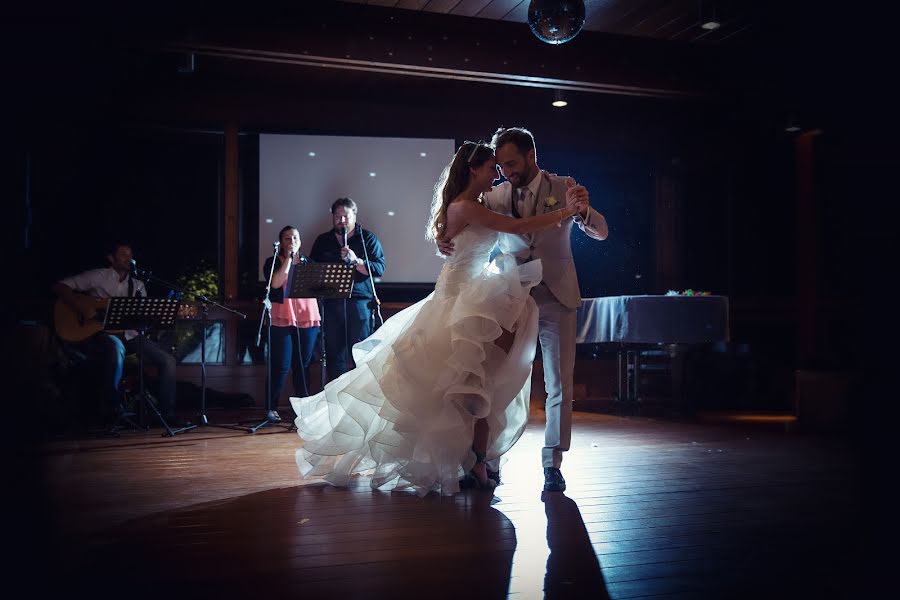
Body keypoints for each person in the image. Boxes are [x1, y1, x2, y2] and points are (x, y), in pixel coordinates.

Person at [290, 142, 589, 496]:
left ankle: (473, 462)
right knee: (461, 384)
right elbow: (518, 225)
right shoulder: (466, 207)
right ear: (474, 170)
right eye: (491, 167)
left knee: (473, 383)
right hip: (462, 299)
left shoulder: (471, 204)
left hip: (473, 294)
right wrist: (564, 212)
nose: (497, 174)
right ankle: (471, 462)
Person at [439, 127, 608, 493]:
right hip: (511, 297)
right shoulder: (495, 194)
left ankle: (552, 463)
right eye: (500, 165)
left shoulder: (564, 186)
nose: (506, 172)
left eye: (512, 163)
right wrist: (444, 234)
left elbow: (601, 231)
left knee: (559, 382)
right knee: (500, 381)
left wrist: (583, 212)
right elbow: (465, 217)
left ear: (532, 154)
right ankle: (491, 461)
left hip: (558, 296)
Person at [52, 241, 179, 426]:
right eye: (123, 255)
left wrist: (152, 320)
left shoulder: (138, 286)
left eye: (130, 255)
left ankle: (167, 415)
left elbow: (140, 319)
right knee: (115, 347)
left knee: (168, 361)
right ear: (111, 259)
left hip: (130, 334)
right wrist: (81, 306)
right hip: (101, 333)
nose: (129, 259)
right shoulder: (98, 276)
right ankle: (111, 411)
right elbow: (59, 286)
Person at [308, 198, 386, 382]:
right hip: (331, 303)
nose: (341, 221)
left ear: (354, 216)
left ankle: (361, 399)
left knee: (361, 353)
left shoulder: (367, 238)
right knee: (335, 355)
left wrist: (356, 260)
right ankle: (338, 399)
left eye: (346, 216)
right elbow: (312, 272)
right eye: (337, 216)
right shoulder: (323, 241)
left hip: (359, 303)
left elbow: (379, 268)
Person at [262, 226, 321, 423]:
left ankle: (303, 409)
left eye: (295, 237)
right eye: (287, 238)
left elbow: (318, 288)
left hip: (307, 318)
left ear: (300, 241)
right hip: (282, 318)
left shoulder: (309, 263)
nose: (292, 241)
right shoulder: (272, 263)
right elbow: (276, 284)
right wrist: (288, 259)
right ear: (282, 243)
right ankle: (270, 407)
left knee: (302, 365)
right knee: (281, 365)